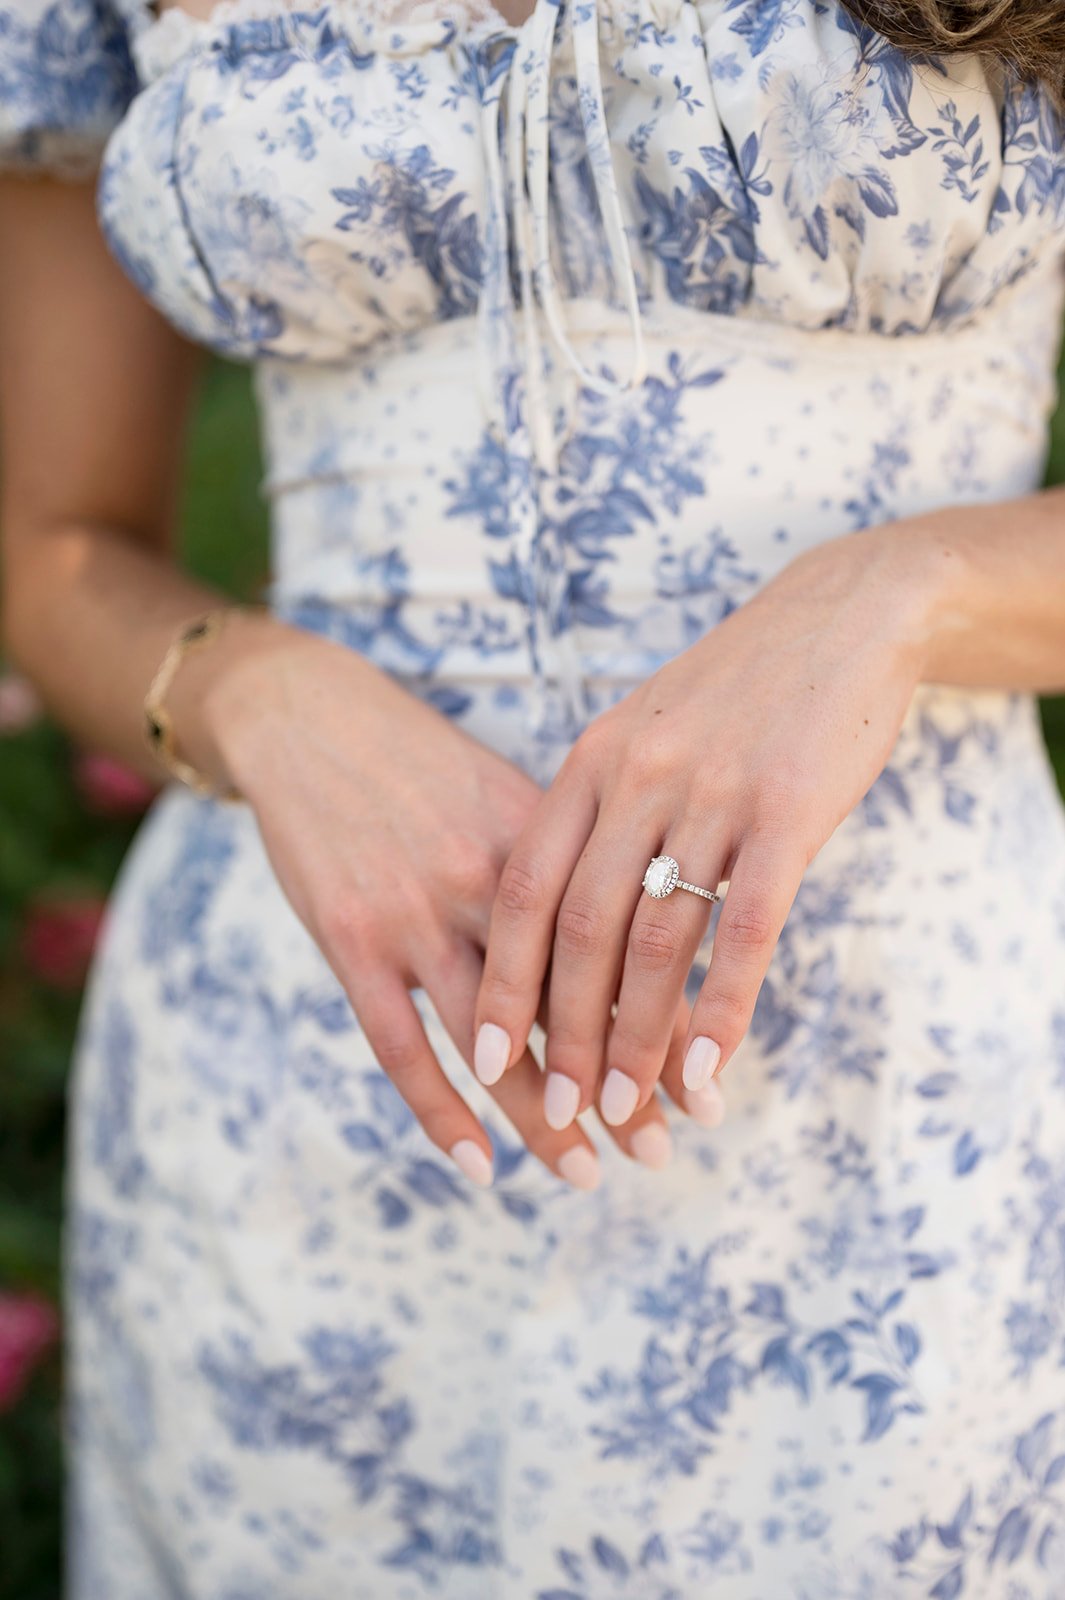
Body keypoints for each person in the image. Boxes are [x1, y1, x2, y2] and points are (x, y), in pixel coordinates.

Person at [2, 0, 1065, 1591]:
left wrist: (895, 596)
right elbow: (50, 546)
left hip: (903, 1104)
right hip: (309, 1064)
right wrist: (254, 690)